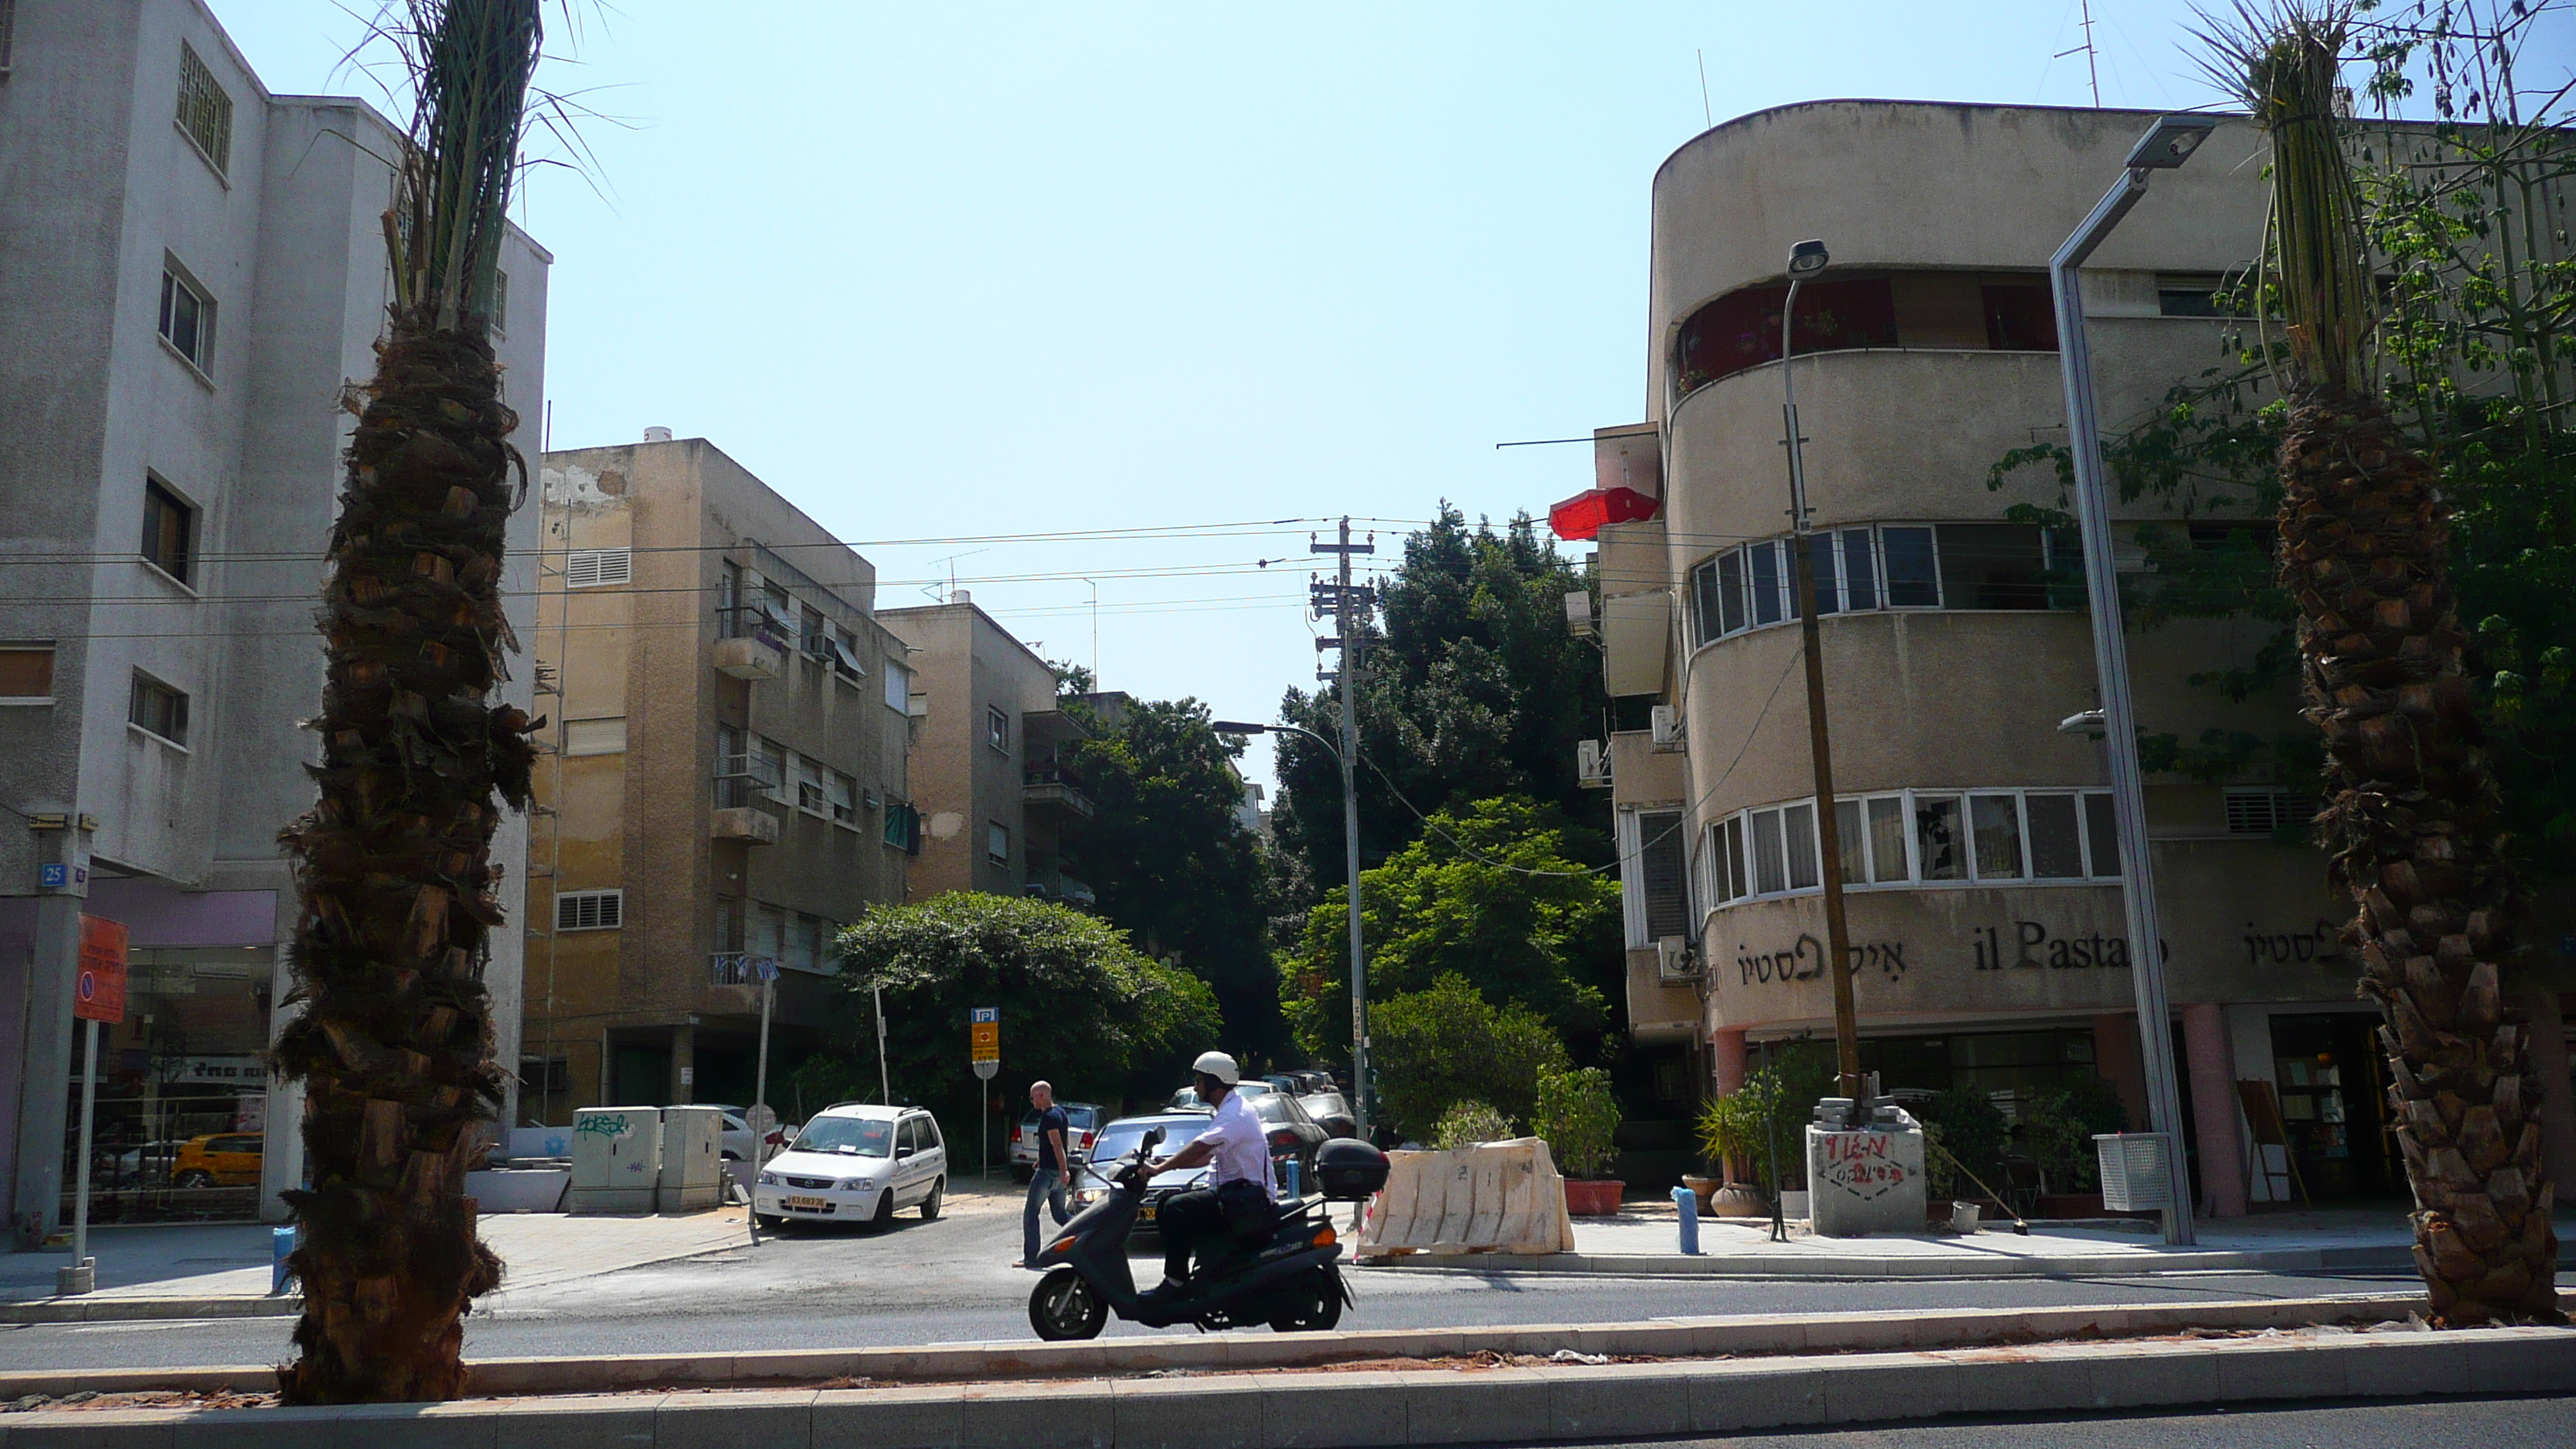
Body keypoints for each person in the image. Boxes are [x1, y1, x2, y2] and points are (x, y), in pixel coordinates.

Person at [1139, 1050, 1274, 1297]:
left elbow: (1200, 1147)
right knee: (1166, 1204)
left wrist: (1159, 1169)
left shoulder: (1234, 1114)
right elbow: (1206, 1156)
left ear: (1214, 1082)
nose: (1196, 1086)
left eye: (1199, 1080)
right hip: (1236, 1194)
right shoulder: (1229, 1109)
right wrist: (1166, 1162)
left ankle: (1176, 1283)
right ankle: (1201, 1273)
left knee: (1175, 1208)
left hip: (1247, 1200)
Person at [1017, 1080, 1074, 1268]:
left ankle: (1032, 1258)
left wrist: (1064, 1170)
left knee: (1031, 1213)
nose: (1032, 1101)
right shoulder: (1060, 1112)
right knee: (1059, 1215)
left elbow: (1058, 1145)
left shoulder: (1049, 1117)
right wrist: (1046, 1161)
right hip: (1055, 1171)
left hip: (1048, 1174)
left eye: (1033, 1097)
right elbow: (1057, 1145)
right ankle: (1084, 1237)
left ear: (1041, 1096)